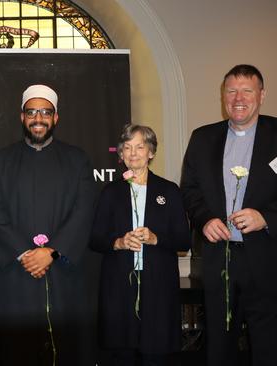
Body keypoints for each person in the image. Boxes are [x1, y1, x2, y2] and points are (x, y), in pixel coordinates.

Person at [181, 64, 277, 365]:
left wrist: (266, 217)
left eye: (247, 90)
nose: (238, 98)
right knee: (219, 347)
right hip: (221, 261)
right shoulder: (202, 138)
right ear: (223, 96)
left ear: (262, 95)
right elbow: (190, 190)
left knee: (272, 348)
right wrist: (205, 219)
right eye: (231, 91)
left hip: (271, 262)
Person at [0, 84, 98, 365]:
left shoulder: (77, 159)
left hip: (62, 270)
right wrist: (24, 252)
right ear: (22, 117)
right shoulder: (0, 161)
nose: (38, 118)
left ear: (55, 118)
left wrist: (52, 251)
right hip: (16, 274)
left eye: (45, 112)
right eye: (32, 112)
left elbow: (83, 211)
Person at [90, 124, 190, 365]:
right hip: (120, 286)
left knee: (155, 355)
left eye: (140, 147)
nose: (133, 153)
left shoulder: (169, 191)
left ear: (151, 152)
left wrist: (157, 239)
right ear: (121, 154)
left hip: (158, 287)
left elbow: (184, 241)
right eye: (127, 148)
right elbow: (95, 239)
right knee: (121, 354)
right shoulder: (110, 192)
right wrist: (119, 242)